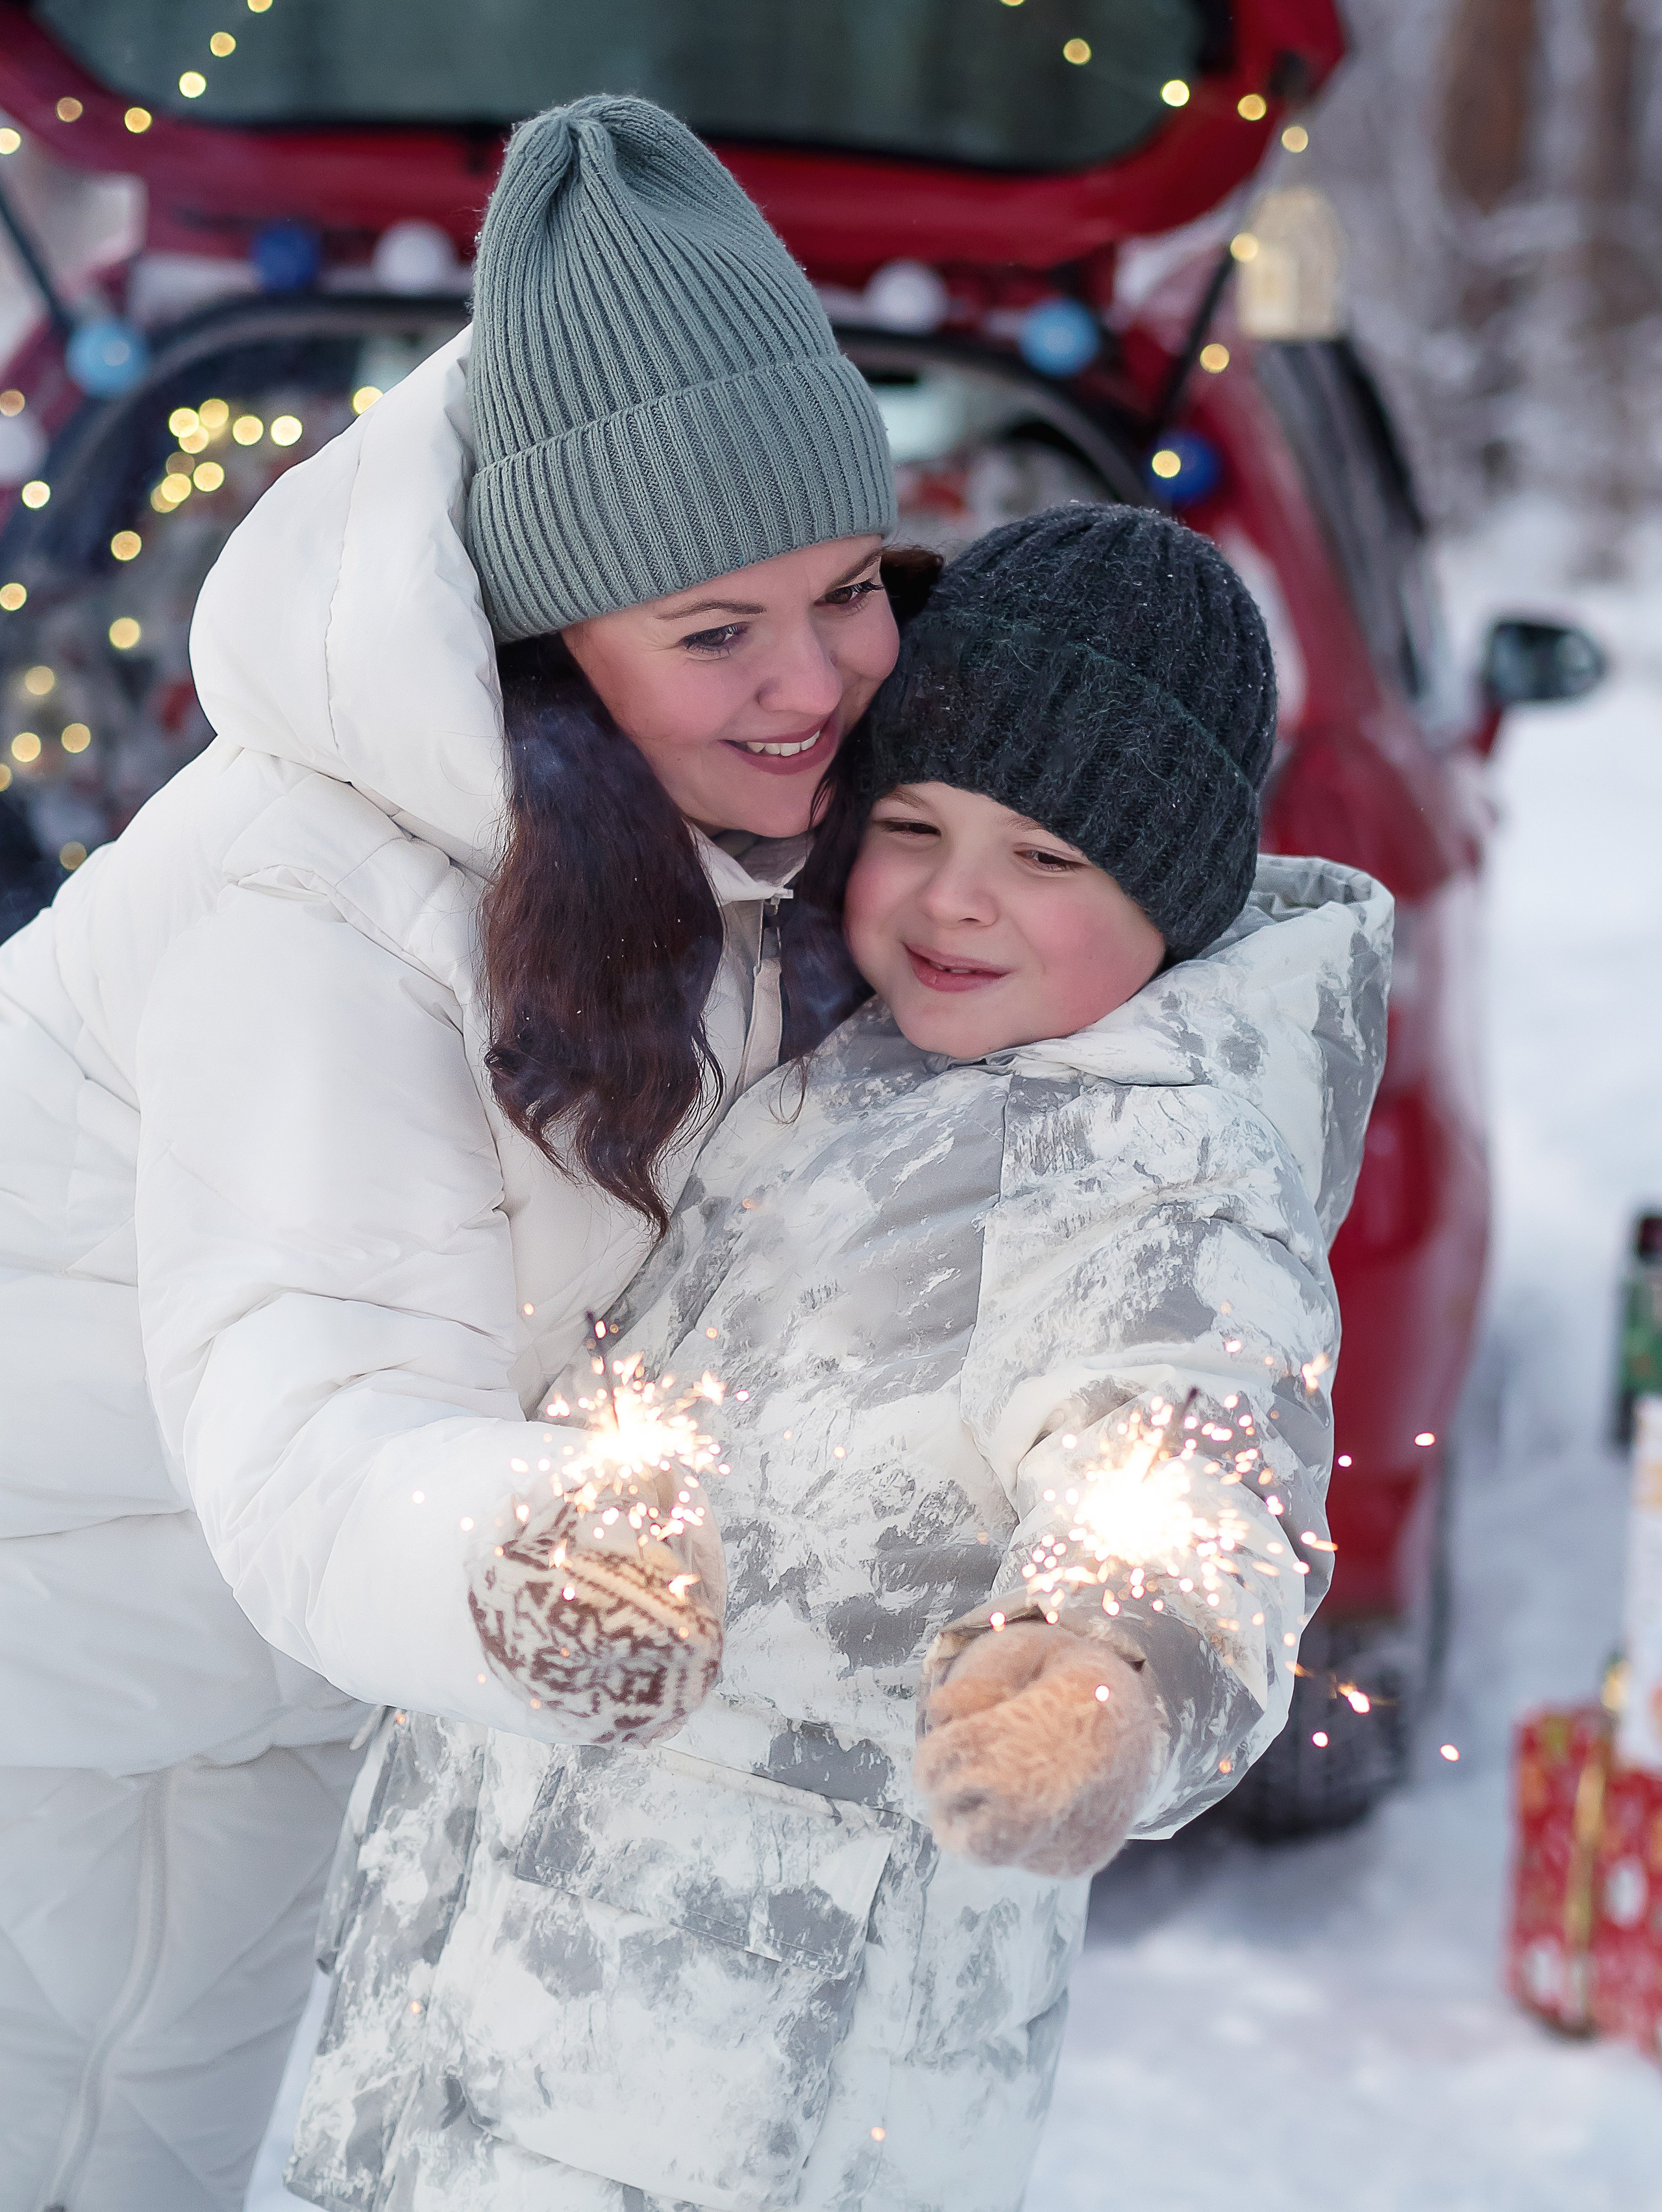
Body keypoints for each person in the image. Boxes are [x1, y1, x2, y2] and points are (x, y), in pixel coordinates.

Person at [0, 95, 902, 2212]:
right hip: (76, 1677)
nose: (819, 678)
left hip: (271, 1682)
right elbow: (313, 1406)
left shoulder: (703, 843)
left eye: (854, 588)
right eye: (717, 631)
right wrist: (542, 1559)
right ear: (545, 632)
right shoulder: (307, 900)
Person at [288, 508, 1393, 2212]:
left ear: (1172, 895)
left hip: (756, 2084)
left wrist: (1111, 1668)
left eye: (1048, 860)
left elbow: (1185, 1452)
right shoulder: (820, 1076)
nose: (959, 898)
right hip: (485, 2003)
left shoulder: (1157, 1175)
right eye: (914, 825)